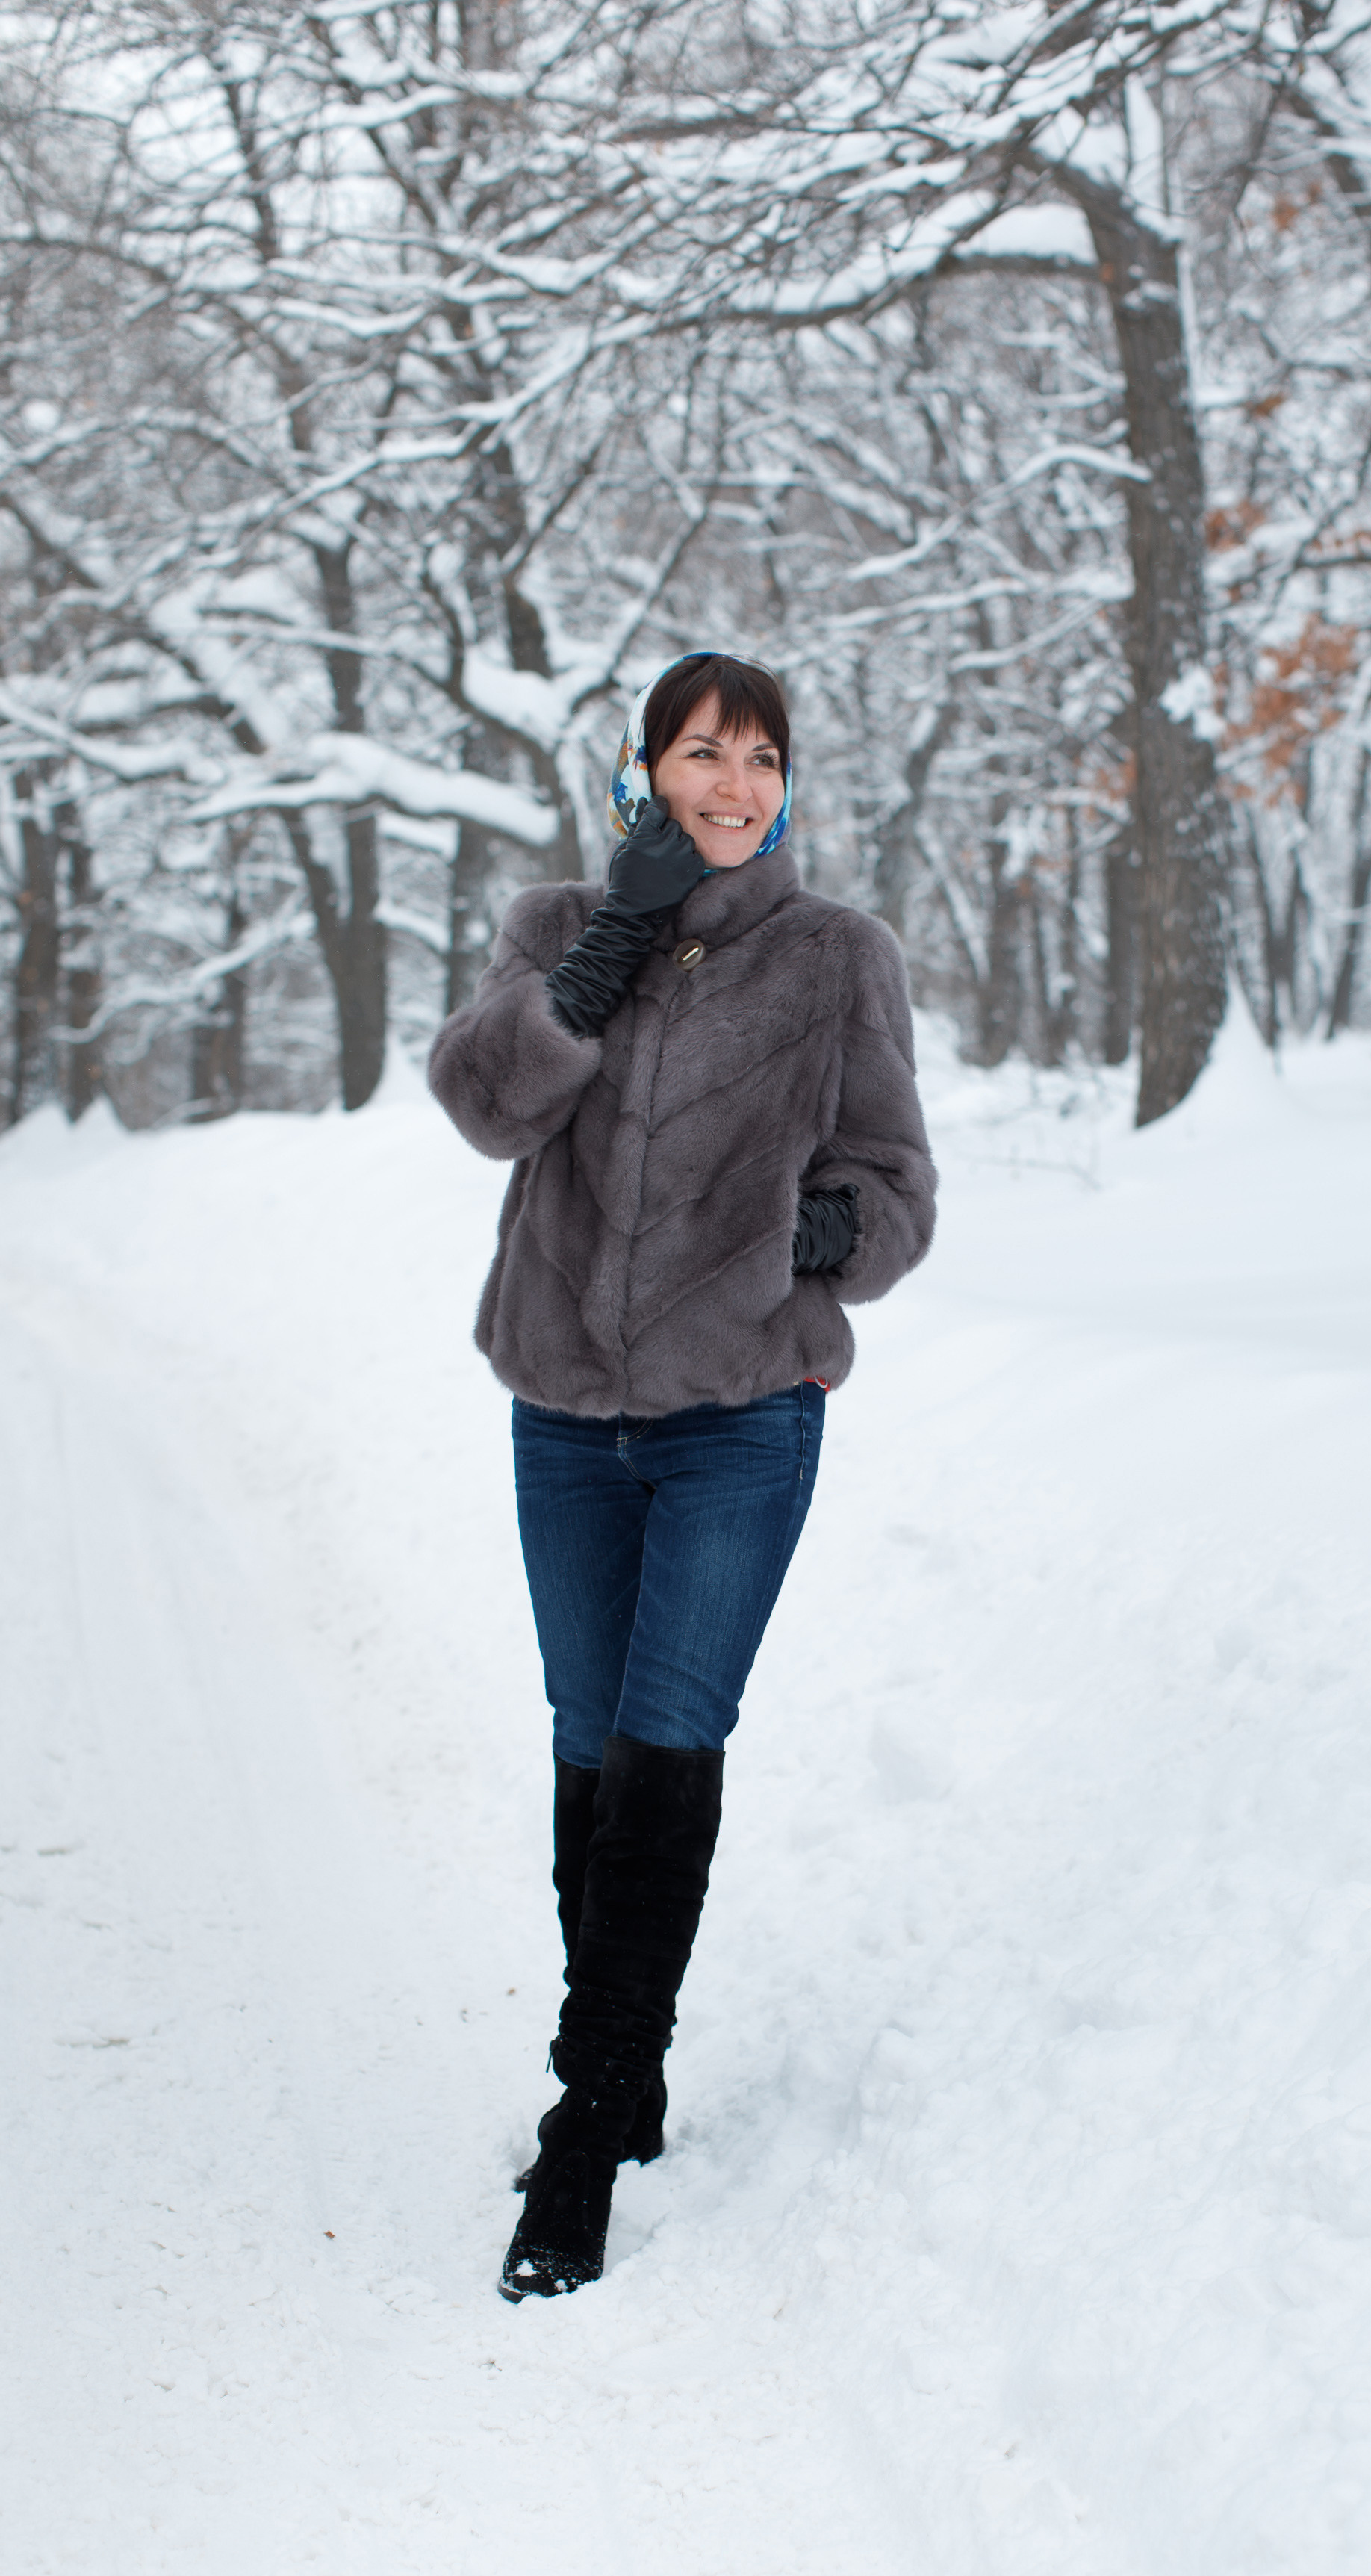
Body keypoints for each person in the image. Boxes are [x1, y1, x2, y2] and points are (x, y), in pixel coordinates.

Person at [428, 650, 937, 2299]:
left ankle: (582, 2131)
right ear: (644, 770)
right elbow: (487, 1105)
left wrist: (822, 1236)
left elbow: (898, 1184)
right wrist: (603, 950)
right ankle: (628, 2071)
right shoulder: (554, 927)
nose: (736, 782)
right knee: (590, 1742)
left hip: (739, 1414)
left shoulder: (836, 957)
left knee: (670, 1732)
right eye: (704, 753)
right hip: (566, 1413)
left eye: (763, 756)